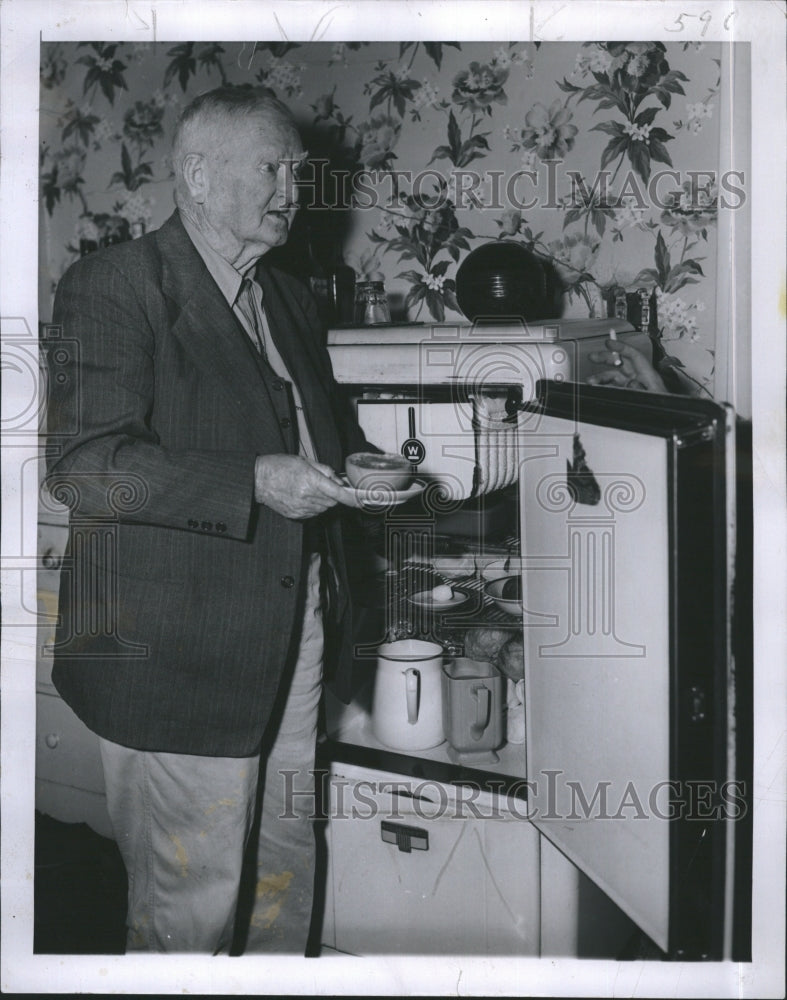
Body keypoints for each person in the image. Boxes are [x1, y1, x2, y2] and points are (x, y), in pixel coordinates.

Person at [43, 87, 373, 955]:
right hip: (175, 649)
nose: (294, 190)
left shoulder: (290, 296)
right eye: (274, 168)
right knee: (189, 899)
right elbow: (85, 468)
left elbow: (312, 431)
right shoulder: (115, 285)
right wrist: (254, 482)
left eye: (297, 172)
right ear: (197, 173)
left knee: (283, 860)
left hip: (290, 623)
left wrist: (366, 472)